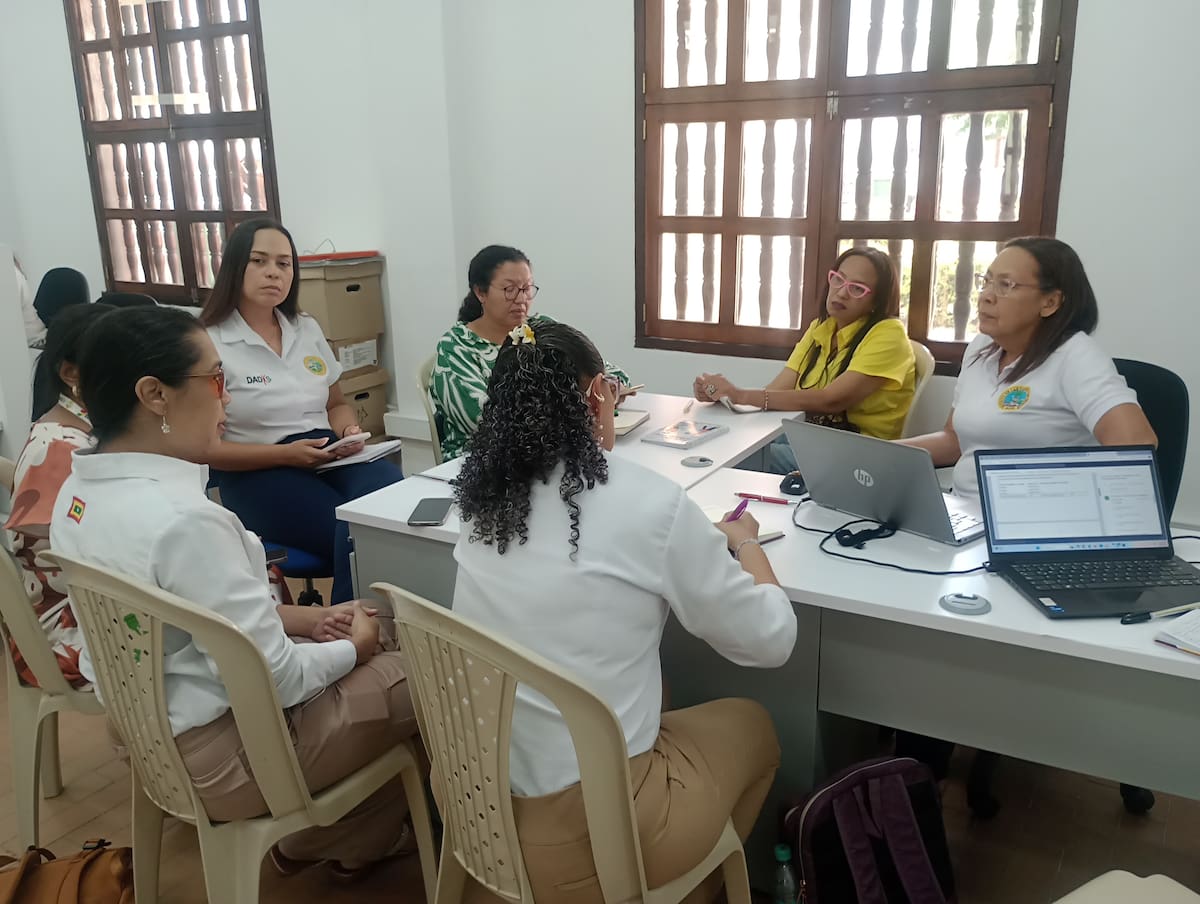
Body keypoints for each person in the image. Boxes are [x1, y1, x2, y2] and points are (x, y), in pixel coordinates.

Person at [50, 306, 420, 878]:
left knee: (374, 628)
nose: (228, 399)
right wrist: (359, 647)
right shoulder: (182, 521)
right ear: (154, 394)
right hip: (237, 757)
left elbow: (191, 620)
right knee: (431, 667)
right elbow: (281, 682)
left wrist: (304, 623)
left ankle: (344, 834)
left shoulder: (79, 492)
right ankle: (355, 837)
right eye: (216, 379)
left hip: (146, 735)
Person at [452, 319, 797, 902]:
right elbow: (770, 641)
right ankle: (686, 888)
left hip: (474, 801)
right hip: (594, 833)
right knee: (755, 726)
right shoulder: (648, 504)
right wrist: (746, 545)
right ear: (596, 396)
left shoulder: (482, 500)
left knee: (651, 690)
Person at [898, 236, 1158, 816]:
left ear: (1050, 301)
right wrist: (886, 453)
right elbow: (956, 441)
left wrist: (1039, 498)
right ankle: (910, 755)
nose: (986, 295)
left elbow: (1137, 446)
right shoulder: (980, 353)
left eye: (1006, 285)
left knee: (938, 647)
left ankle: (920, 778)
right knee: (898, 613)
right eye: (986, 282)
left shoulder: (1075, 357)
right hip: (962, 525)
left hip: (1029, 542)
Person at [200, 218, 402, 604]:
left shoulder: (304, 327)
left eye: (284, 263)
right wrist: (285, 455)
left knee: (393, 501)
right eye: (259, 261)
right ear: (234, 267)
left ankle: (405, 624)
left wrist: (346, 434)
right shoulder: (208, 341)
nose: (273, 273)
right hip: (258, 470)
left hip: (326, 454)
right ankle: (350, 631)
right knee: (354, 526)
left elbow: (337, 404)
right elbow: (206, 449)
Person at [692, 247, 915, 473]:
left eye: (856, 289)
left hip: (857, 456)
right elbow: (775, 391)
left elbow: (831, 401)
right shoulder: (821, 327)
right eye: (838, 280)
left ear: (876, 302)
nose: (841, 292)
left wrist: (741, 395)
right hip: (809, 437)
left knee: (739, 455)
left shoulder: (889, 334)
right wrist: (724, 396)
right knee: (724, 439)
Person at [430, 244, 629, 460]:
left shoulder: (540, 329)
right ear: (480, 292)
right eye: (510, 289)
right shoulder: (456, 347)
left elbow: (603, 370)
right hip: (482, 463)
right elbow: (484, 420)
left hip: (549, 454)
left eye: (527, 288)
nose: (521, 299)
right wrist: (582, 406)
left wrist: (605, 390)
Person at [4, 303, 114, 688]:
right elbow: (78, 559)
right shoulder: (59, 449)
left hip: (95, 601)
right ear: (70, 374)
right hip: (69, 622)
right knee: (216, 625)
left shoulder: (87, 431)